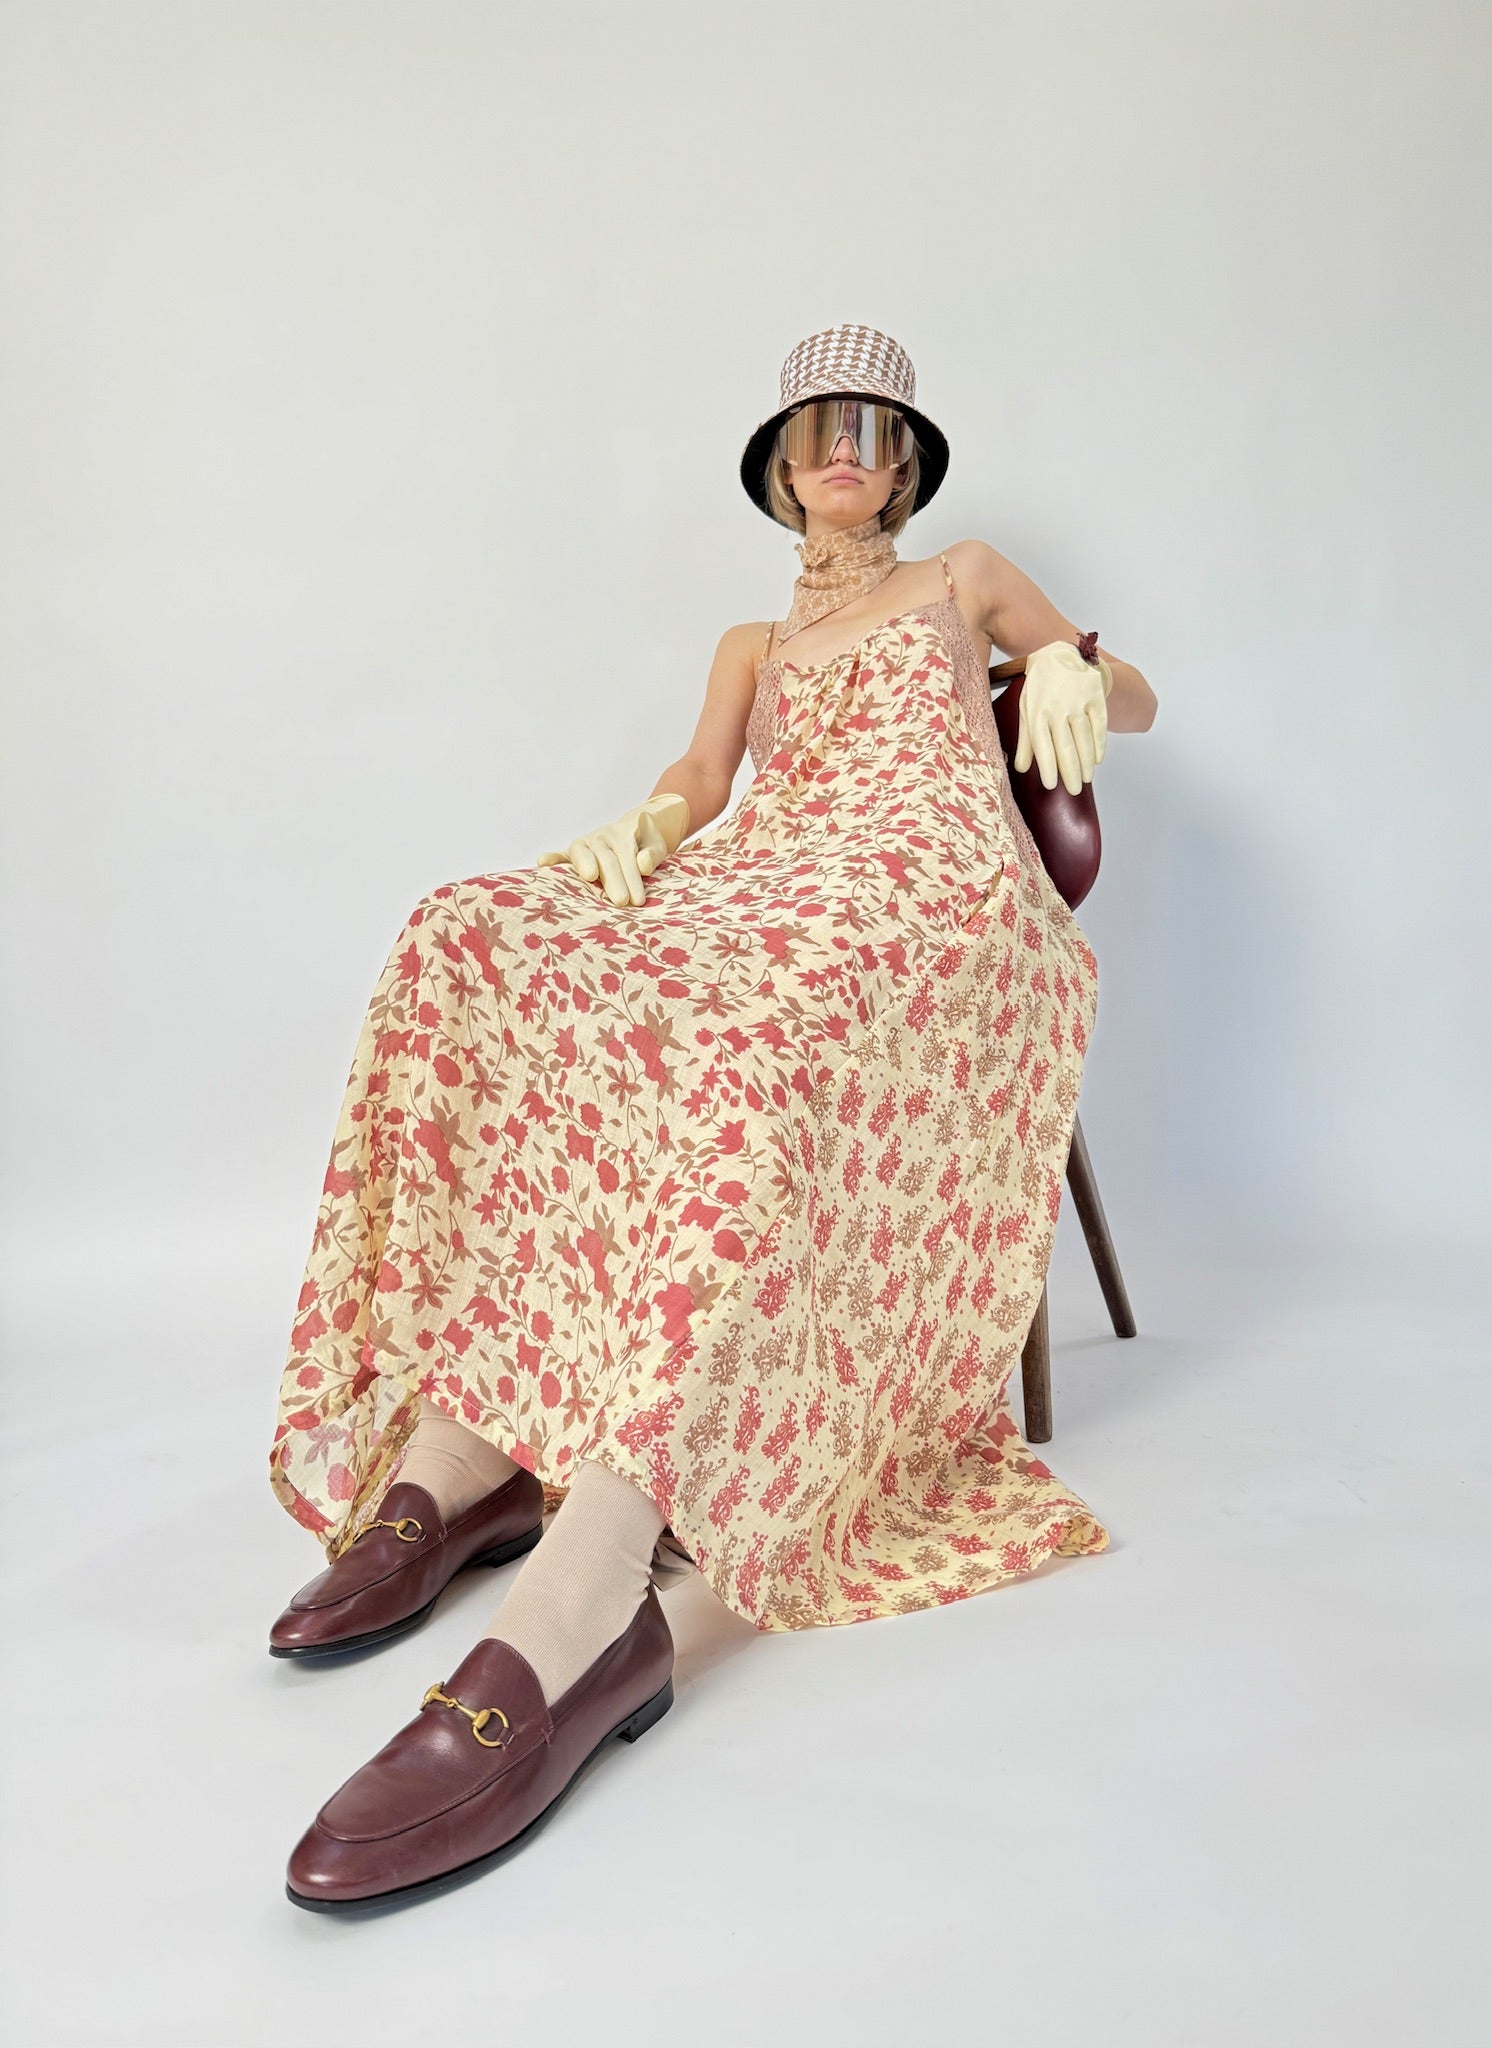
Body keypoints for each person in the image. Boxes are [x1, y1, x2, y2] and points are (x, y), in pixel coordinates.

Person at [268, 321, 1158, 1911]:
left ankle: (595, 1579)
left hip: (934, 901)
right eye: (819, 426)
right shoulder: (754, 642)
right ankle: (482, 1428)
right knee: (472, 932)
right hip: (765, 887)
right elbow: (700, 777)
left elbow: (1136, 696)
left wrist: (1075, 665)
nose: (845, 450)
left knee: (752, 1034)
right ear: (779, 466)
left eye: (872, 428)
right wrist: (644, 832)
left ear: (904, 462)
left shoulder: (961, 578)